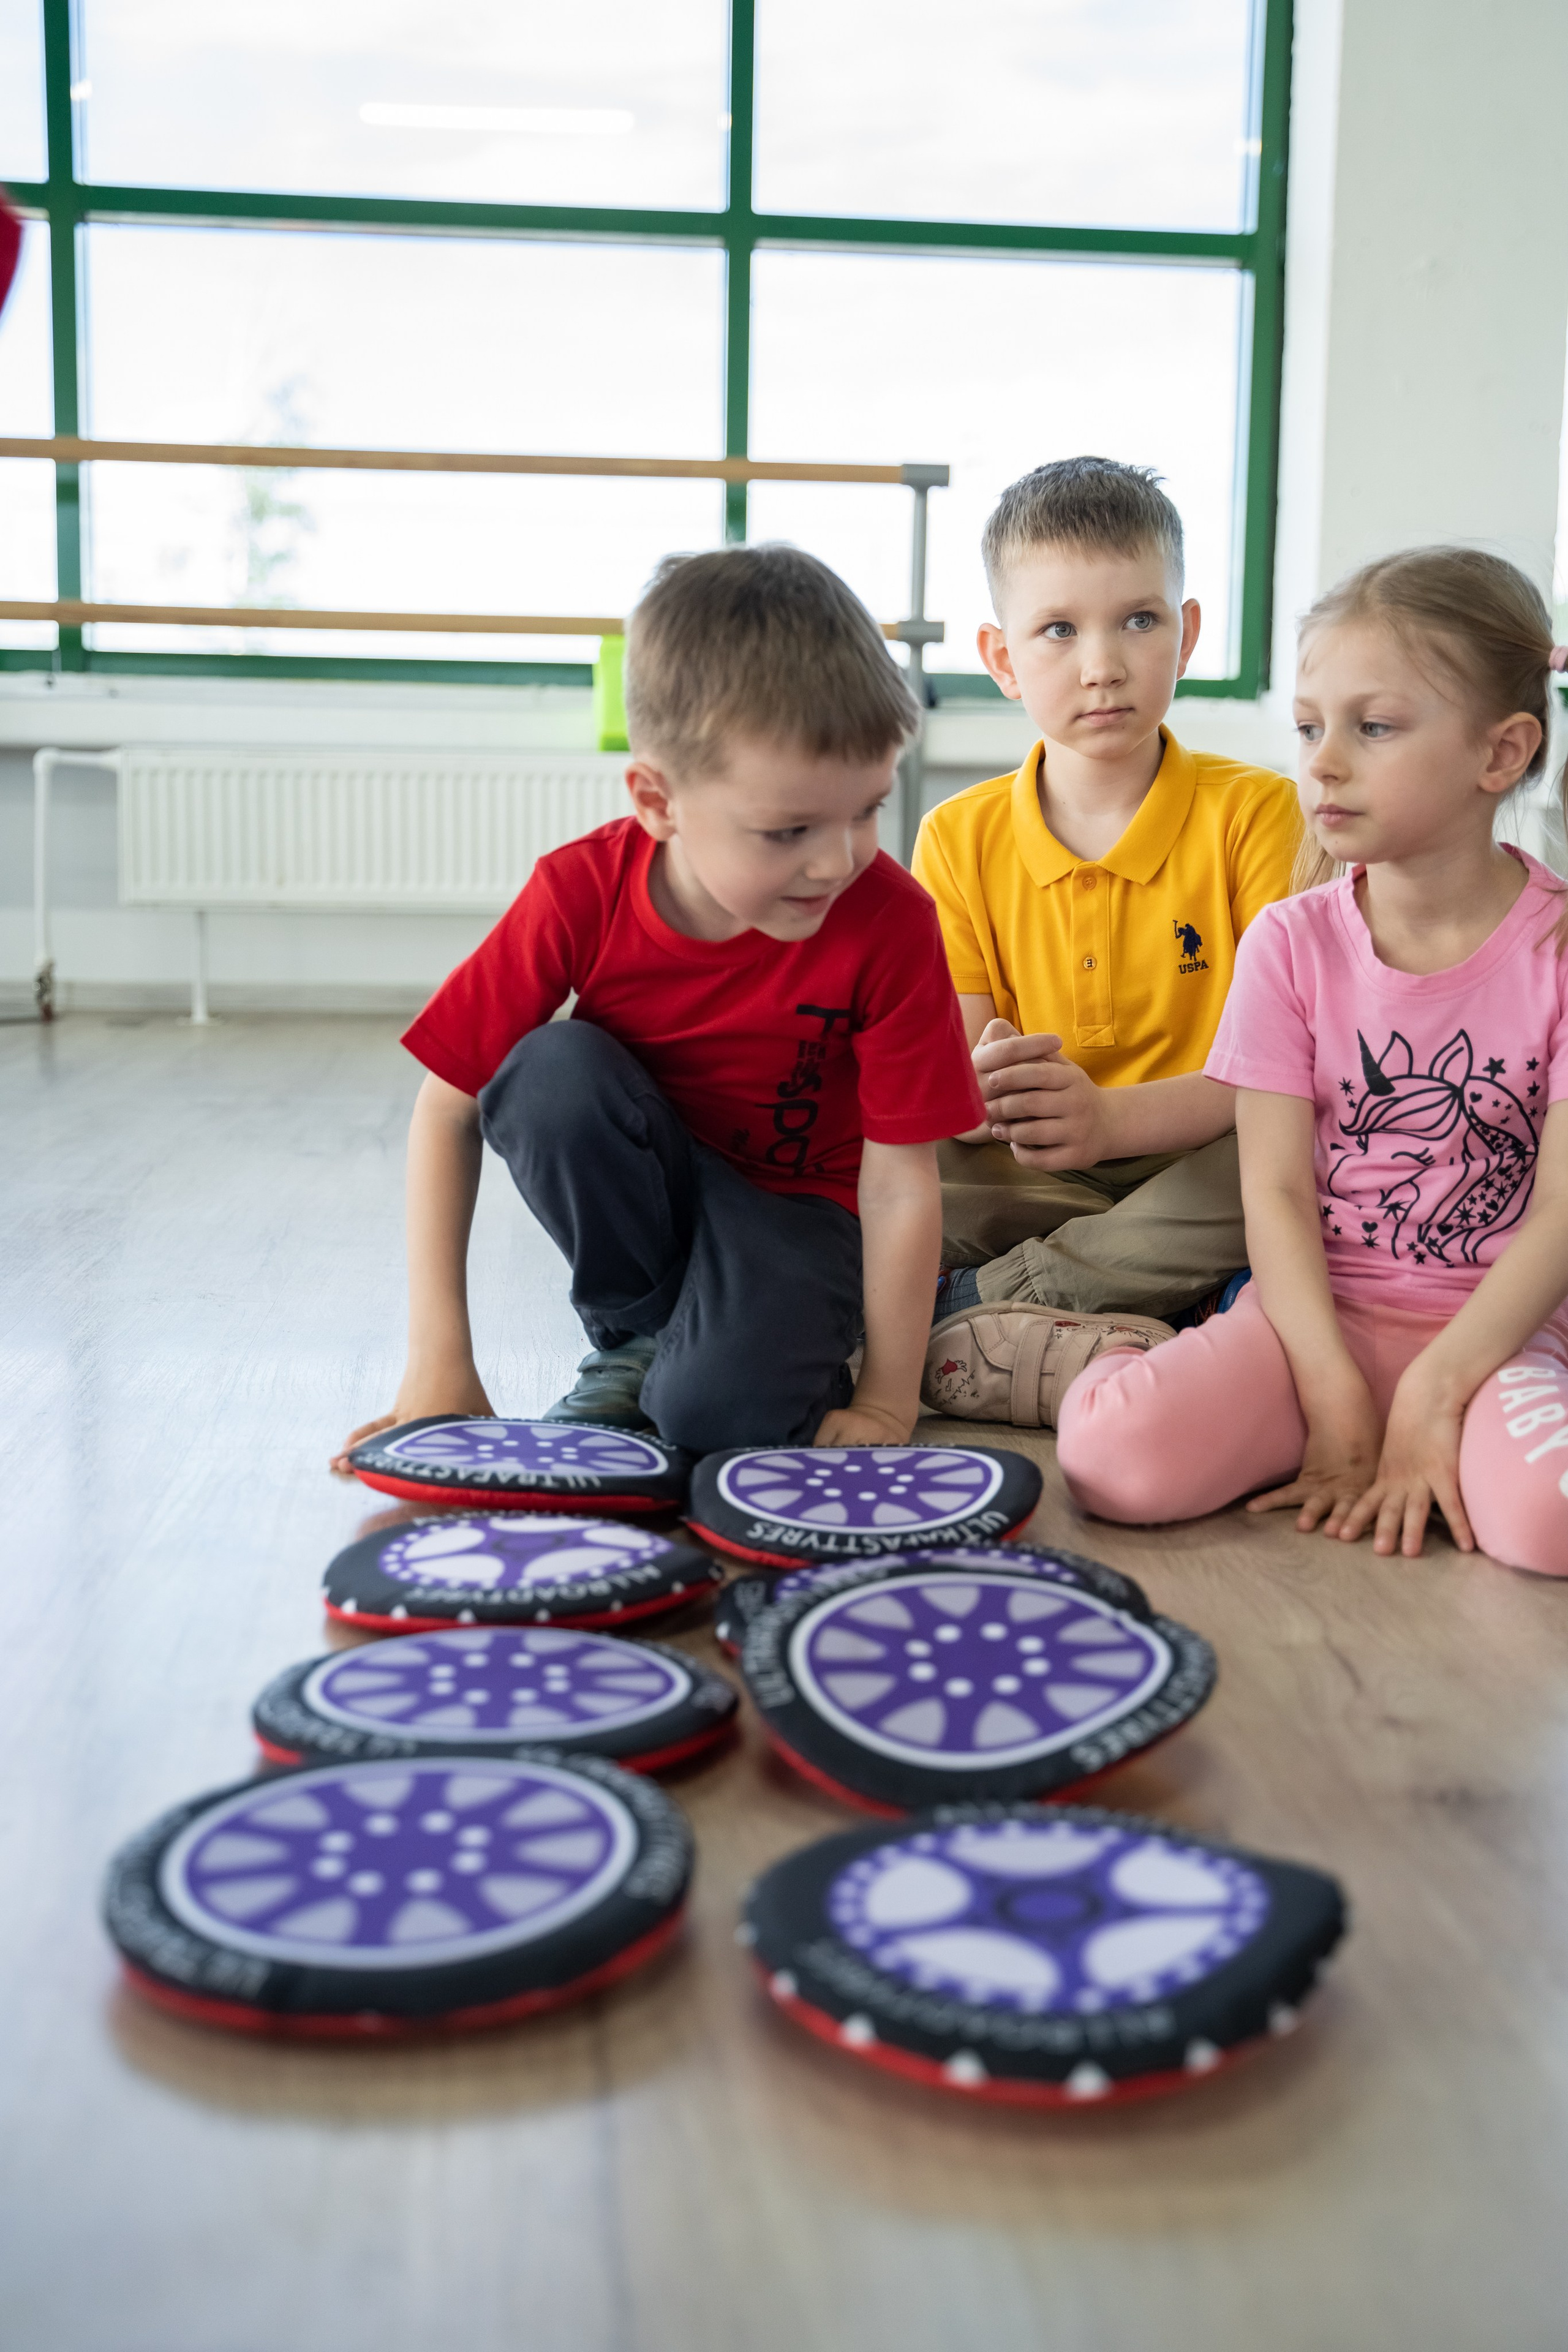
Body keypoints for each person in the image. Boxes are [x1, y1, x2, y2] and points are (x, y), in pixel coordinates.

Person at [333, 544, 984, 1467]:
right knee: (546, 1072)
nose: (839, 860)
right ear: (657, 800)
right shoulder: (578, 892)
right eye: (789, 829)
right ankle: (642, 1339)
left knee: (713, 1419)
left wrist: (885, 1397)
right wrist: (441, 1358)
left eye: (867, 810)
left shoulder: (892, 920)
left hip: (802, 1214)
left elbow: (898, 1180)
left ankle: (736, 1350)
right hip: (658, 1191)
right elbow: (449, 1109)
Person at [1057, 546, 1568, 1575]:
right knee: (1114, 1462)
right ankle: (1095, 1352)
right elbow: (1278, 1197)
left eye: (1372, 728)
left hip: (1496, 1336)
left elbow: (1561, 1215)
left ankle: (1449, 1435)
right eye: (1308, 727)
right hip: (1305, 1326)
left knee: (1549, 1526)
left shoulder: (1558, 951)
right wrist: (1334, 1395)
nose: (1323, 762)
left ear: (1503, 753)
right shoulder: (1289, 942)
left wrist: (1436, 1392)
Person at [913, 457, 1300, 1423]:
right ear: (1003, 658)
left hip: (1199, 1168)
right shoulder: (957, 837)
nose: (1104, 664)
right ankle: (1143, 1306)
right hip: (1036, 1176)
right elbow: (950, 1075)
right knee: (876, 1165)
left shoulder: (1261, 814)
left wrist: (1113, 1124)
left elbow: (1279, 1075)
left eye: (1139, 619)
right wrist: (985, 1089)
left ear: (1188, 633)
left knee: (1302, 1159)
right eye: (1058, 630)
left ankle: (992, 1309)